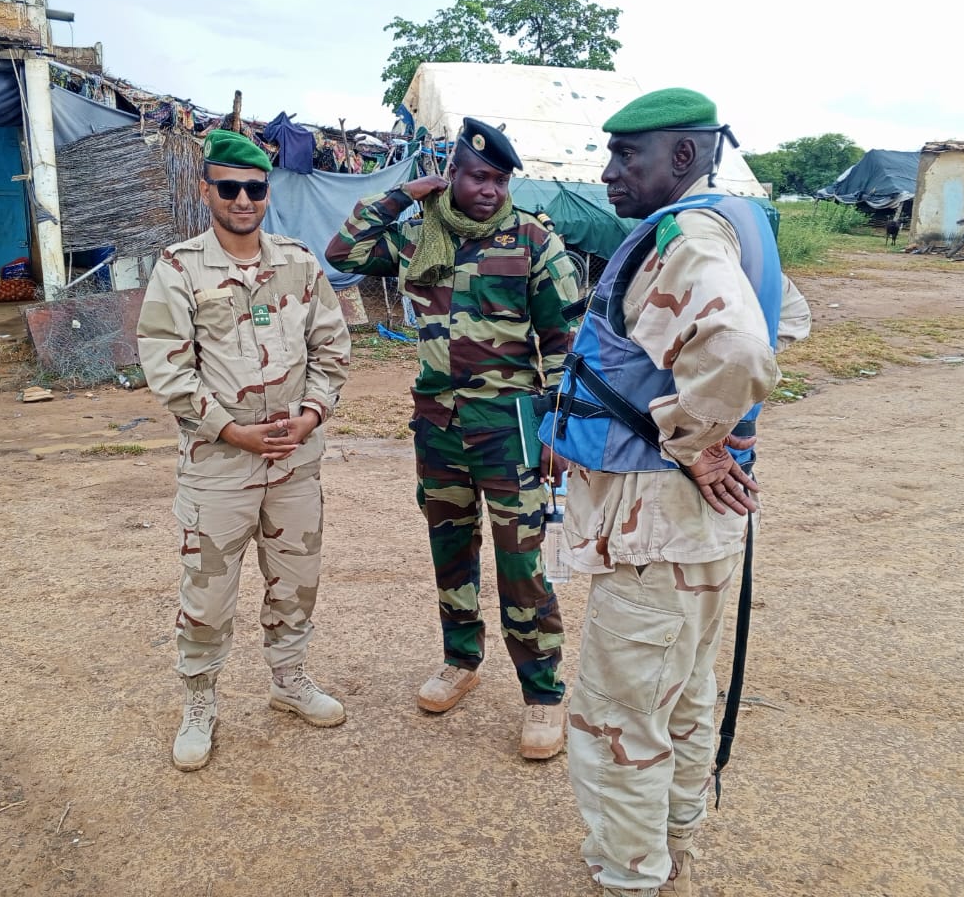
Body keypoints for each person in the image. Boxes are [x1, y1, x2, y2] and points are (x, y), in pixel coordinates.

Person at [550, 88, 812, 896]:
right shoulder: (739, 223)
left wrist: (695, 439)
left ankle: (631, 875)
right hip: (693, 531)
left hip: (655, 527)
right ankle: (673, 847)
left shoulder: (687, 236)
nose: (609, 172)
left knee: (619, 719)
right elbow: (787, 320)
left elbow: (741, 351)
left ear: (685, 156)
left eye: (628, 155)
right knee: (684, 698)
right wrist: (715, 423)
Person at [326, 118, 582, 759]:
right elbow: (343, 254)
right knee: (451, 552)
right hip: (438, 426)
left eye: (500, 180)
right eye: (478, 177)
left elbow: (564, 346)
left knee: (522, 563)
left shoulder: (533, 241)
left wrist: (559, 432)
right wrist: (401, 195)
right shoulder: (420, 235)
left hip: (510, 428)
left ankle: (543, 694)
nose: (491, 190)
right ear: (452, 175)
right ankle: (460, 661)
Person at [137, 129, 351, 772]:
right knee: (207, 594)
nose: (242, 200)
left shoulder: (299, 264)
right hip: (220, 467)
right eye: (229, 187)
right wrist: (231, 431)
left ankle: (289, 680)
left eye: (254, 189)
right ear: (207, 190)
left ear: (267, 194)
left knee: (296, 581)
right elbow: (167, 367)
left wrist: (311, 416)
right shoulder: (180, 268)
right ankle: (199, 700)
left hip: (294, 464)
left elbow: (332, 349)